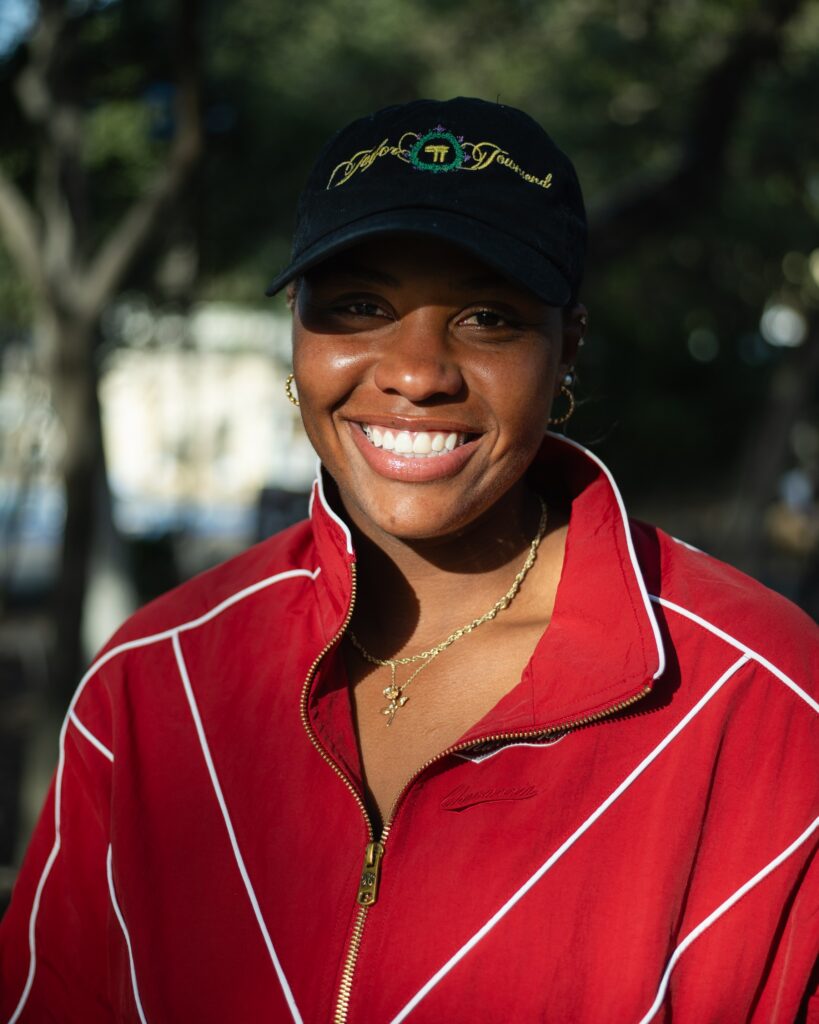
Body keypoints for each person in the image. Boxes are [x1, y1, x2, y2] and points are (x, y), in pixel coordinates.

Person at [1, 97, 817, 1024]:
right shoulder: (158, 682)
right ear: (297, 332)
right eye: (359, 307)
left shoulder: (759, 701)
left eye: (486, 317)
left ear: (567, 349)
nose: (417, 371)